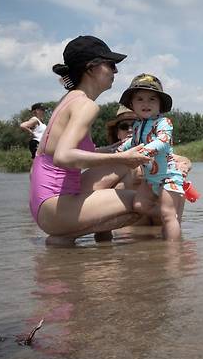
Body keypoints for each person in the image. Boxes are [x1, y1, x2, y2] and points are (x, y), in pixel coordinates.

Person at [29, 35, 150, 245]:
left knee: (122, 167)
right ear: (91, 68)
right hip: (55, 206)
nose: (116, 71)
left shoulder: (70, 99)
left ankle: (73, 237)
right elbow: (63, 156)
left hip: (43, 202)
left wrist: (110, 151)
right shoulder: (86, 106)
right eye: (111, 65)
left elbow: (52, 152)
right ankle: (66, 234)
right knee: (141, 203)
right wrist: (122, 156)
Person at [117, 73, 186, 241]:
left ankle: (173, 251)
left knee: (167, 217)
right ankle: (171, 212)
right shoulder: (138, 125)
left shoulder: (164, 123)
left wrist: (143, 152)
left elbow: (162, 141)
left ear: (160, 105)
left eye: (152, 99)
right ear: (132, 104)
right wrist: (120, 152)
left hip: (169, 177)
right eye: (140, 99)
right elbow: (132, 142)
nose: (146, 103)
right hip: (150, 180)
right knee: (139, 205)